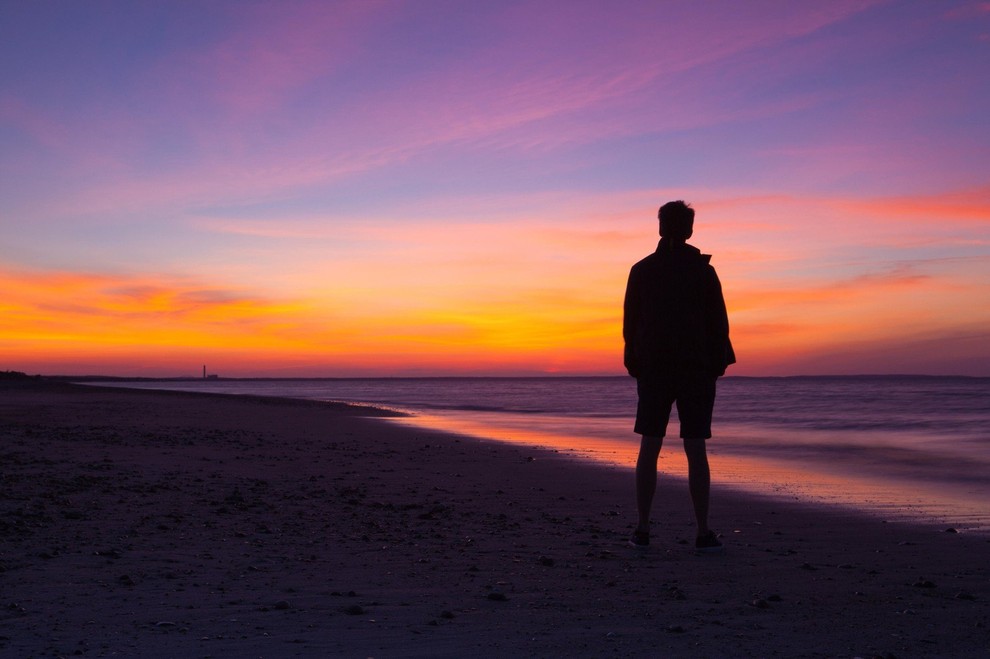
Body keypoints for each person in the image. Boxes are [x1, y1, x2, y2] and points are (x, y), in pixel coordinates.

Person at [623, 200, 735, 552]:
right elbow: (719, 325)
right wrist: (715, 365)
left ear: (660, 228)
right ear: (688, 230)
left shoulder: (642, 269)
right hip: (694, 369)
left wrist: (635, 361)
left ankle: (643, 528)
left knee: (650, 445)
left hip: (656, 368)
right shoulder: (702, 272)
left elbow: (630, 326)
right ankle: (702, 531)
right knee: (695, 448)